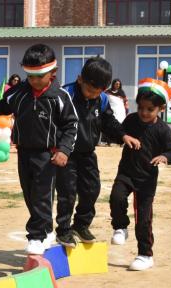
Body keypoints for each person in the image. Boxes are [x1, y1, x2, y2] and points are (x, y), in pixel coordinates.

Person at [0, 43, 79, 255]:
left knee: (42, 196)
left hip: (48, 155)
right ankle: (45, 230)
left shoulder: (60, 97)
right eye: (30, 76)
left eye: (39, 76)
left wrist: (63, 150)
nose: (34, 81)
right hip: (24, 153)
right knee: (30, 195)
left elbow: (72, 125)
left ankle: (35, 235)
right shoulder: (19, 93)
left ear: (53, 73)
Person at [55, 57, 140, 248]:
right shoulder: (64, 95)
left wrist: (123, 135)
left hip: (87, 153)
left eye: (98, 92)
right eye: (90, 91)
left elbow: (108, 122)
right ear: (80, 80)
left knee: (92, 189)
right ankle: (64, 230)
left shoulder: (101, 99)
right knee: (67, 193)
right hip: (65, 155)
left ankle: (81, 225)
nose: (93, 95)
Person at [109, 78, 171, 271]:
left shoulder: (163, 130)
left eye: (150, 109)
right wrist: (124, 136)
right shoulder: (131, 120)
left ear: (160, 109)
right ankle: (120, 227)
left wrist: (165, 156)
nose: (144, 113)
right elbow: (117, 133)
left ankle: (145, 255)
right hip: (126, 172)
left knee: (144, 220)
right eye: (141, 108)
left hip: (147, 180)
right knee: (116, 197)